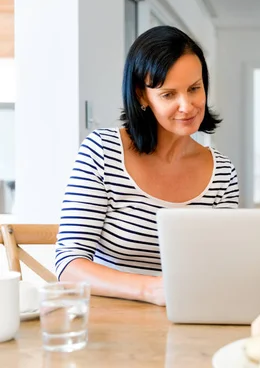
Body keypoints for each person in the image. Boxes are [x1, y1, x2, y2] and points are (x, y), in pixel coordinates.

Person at [55, 26, 239, 306]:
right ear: (142, 96)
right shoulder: (103, 152)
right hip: (111, 325)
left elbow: (220, 266)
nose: (187, 106)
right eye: (168, 94)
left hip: (188, 319)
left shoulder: (223, 174)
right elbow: (69, 264)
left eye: (194, 89)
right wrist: (151, 290)